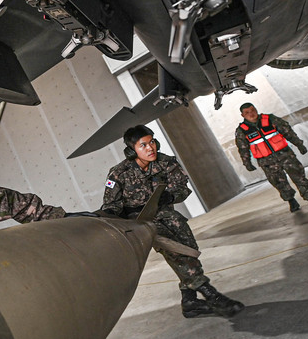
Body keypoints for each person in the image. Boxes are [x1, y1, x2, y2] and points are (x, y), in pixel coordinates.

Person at [101, 126, 244, 319]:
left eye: (152, 141)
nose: (150, 148)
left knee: (190, 253)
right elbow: (111, 206)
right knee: (180, 254)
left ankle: (190, 302)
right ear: (131, 150)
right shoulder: (119, 173)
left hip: (171, 218)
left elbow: (182, 188)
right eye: (143, 145)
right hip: (143, 224)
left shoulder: (166, 163)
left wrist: (170, 196)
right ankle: (213, 296)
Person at [234, 103, 308, 212]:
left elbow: (287, 131)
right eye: (247, 112)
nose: (251, 114)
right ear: (242, 115)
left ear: (256, 109)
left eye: (252, 110)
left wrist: (299, 144)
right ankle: (291, 200)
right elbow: (243, 148)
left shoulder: (270, 119)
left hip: (285, 155)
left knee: (299, 176)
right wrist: (247, 163)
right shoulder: (242, 130)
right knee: (279, 182)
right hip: (267, 162)